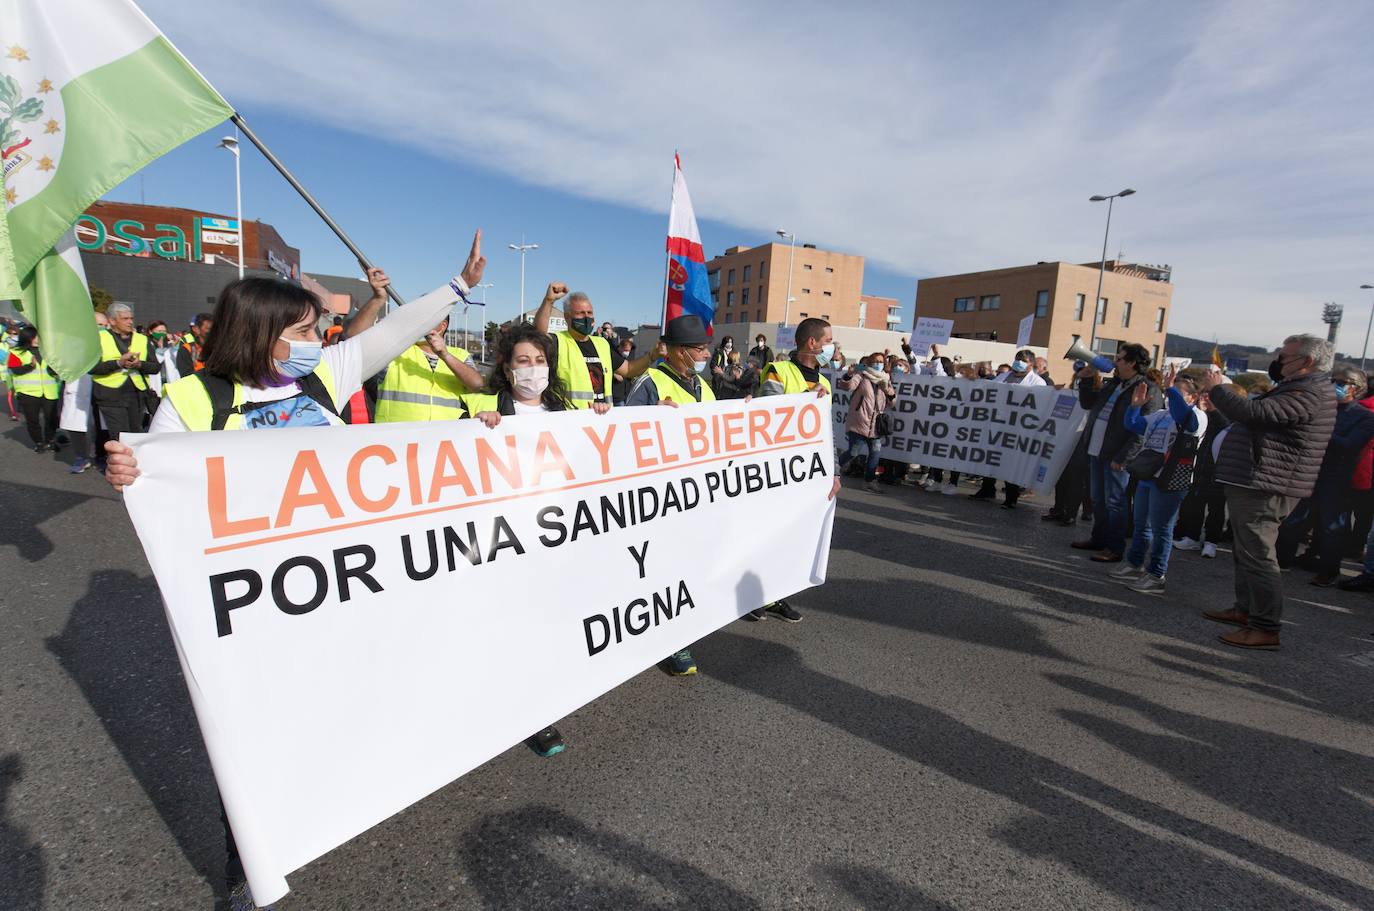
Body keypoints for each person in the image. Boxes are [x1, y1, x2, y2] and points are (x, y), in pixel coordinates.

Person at [103, 229, 486, 911]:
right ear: (261, 332)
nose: (320, 337)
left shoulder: (320, 377)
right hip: (251, 609)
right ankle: (246, 863)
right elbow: (160, 487)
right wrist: (129, 470)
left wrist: (458, 287)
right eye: (305, 328)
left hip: (333, 588)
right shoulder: (194, 401)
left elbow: (392, 330)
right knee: (247, 742)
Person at [1199, 334, 1337, 650]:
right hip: (1258, 480)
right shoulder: (1298, 389)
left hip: (1267, 484)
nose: (1278, 361)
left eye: (1285, 357)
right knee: (1247, 550)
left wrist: (1217, 389)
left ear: (1308, 361)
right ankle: (1245, 610)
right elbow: (1254, 418)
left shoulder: (1309, 392)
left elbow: (1257, 415)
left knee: (1258, 554)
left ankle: (1265, 626)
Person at [622, 314, 722, 676]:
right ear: (679, 352)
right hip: (659, 497)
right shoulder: (650, 383)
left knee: (689, 565)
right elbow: (624, 436)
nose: (706, 354)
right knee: (661, 571)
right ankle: (668, 642)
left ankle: (679, 632)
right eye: (700, 348)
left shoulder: (705, 388)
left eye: (707, 348)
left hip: (694, 495)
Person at [753, 317, 842, 622]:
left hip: (806, 473)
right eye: (828, 340)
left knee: (791, 538)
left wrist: (835, 472)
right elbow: (766, 419)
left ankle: (775, 594)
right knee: (764, 534)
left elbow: (826, 432)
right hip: (774, 471)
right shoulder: (780, 371)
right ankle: (754, 597)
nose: (833, 346)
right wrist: (805, 401)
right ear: (812, 343)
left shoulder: (825, 383)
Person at [1107, 369, 1207, 594]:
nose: (1172, 398)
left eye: (1180, 395)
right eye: (1171, 393)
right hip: (1149, 475)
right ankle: (1135, 563)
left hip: (1171, 480)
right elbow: (1133, 425)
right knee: (1142, 524)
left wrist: (1171, 390)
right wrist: (1134, 406)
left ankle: (1156, 574)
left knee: (1162, 529)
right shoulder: (1162, 415)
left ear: (1193, 398)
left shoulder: (1198, 416)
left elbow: (1186, 421)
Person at [1275, 366, 1374, 586]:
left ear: (1356, 389)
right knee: (1292, 521)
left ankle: (1329, 571)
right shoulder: (1323, 409)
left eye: (1341, 383)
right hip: (1310, 472)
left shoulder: (1364, 417)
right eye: (1334, 381)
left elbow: (1350, 445)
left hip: (1337, 479)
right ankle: (1281, 560)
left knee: (1332, 527)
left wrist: (1322, 432)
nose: (1335, 386)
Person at [1071, 343, 1162, 563]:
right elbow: (1088, 403)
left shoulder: (1148, 389)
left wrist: (1124, 457)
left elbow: (1144, 429)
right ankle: (1099, 539)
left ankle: (1115, 547)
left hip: (1115, 455)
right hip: (1097, 449)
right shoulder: (1114, 384)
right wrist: (1085, 379)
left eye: (1120, 359)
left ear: (1131, 363)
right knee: (1098, 500)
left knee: (1115, 502)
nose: (1116, 361)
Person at [533, 285, 655, 408]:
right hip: (570, 420)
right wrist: (549, 301)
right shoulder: (558, 341)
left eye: (589, 313)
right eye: (580, 313)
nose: (587, 317)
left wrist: (652, 355)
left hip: (601, 420)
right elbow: (537, 336)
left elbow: (628, 369)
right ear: (567, 317)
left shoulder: (602, 344)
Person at [373, 313, 483, 423]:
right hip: (396, 437)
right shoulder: (395, 352)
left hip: (443, 436)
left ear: (442, 326)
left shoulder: (461, 356)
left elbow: (477, 385)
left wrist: (445, 355)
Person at [971, 348, 1046, 508]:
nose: (1019, 362)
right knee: (990, 457)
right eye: (1017, 358)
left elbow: (1038, 405)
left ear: (1031, 364)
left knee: (1010, 463)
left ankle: (1011, 497)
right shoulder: (1004, 376)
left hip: (1016, 428)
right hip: (997, 424)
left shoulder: (1038, 382)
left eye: (1023, 360)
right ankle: (987, 489)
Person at [1172, 388, 1231, 558]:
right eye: (1204, 395)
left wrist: (1213, 409)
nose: (1206, 399)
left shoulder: (1226, 416)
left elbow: (1225, 425)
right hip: (1198, 468)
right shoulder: (1199, 415)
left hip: (1219, 471)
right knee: (1194, 505)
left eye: (1210, 396)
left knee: (1216, 509)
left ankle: (1212, 542)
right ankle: (1192, 536)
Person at [90, 302, 159, 438]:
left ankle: (135, 458)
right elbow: (92, 367)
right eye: (125, 319)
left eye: (131, 318)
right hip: (110, 395)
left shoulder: (142, 339)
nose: (130, 322)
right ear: (112, 321)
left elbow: (155, 367)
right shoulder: (98, 339)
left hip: (137, 394)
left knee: (135, 434)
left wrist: (139, 364)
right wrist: (118, 363)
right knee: (120, 435)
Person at [836, 353, 892, 492]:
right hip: (859, 422)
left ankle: (869, 481)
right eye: (875, 361)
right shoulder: (861, 376)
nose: (878, 364)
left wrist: (888, 390)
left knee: (875, 453)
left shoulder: (885, 379)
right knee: (853, 452)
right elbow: (847, 386)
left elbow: (893, 401)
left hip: (876, 426)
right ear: (870, 362)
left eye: (881, 361)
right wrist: (849, 375)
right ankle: (832, 470)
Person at [7, 326, 61, 451]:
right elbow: (14, 369)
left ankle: (50, 440)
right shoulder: (17, 352)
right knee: (33, 420)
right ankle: (39, 442)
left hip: (50, 391)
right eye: (36, 336)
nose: (39, 339)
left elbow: (57, 369)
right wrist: (29, 366)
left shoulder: (49, 351)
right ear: (28, 337)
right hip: (28, 393)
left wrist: (54, 371)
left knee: (51, 419)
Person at [174, 312, 214, 378]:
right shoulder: (187, 349)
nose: (213, 332)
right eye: (209, 329)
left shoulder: (220, 349)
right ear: (196, 329)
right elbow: (186, 376)